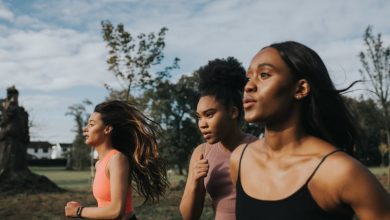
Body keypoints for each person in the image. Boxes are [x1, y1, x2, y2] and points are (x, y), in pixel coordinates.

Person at [230, 41, 390, 220]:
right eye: (249, 77)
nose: (248, 86)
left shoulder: (340, 171)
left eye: (264, 74)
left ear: (300, 88)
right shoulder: (239, 160)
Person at [179, 57, 257, 220]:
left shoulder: (259, 148)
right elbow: (188, 216)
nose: (202, 124)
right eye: (199, 117)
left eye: (209, 115)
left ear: (233, 112)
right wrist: (194, 180)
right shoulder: (201, 153)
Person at [65, 100, 169, 220]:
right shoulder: (99, 163)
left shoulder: (117, 159)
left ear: (107, 129)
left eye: (92, 124)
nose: (85, 129)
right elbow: (105, 206)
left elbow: (116, 211)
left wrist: (79, 211)